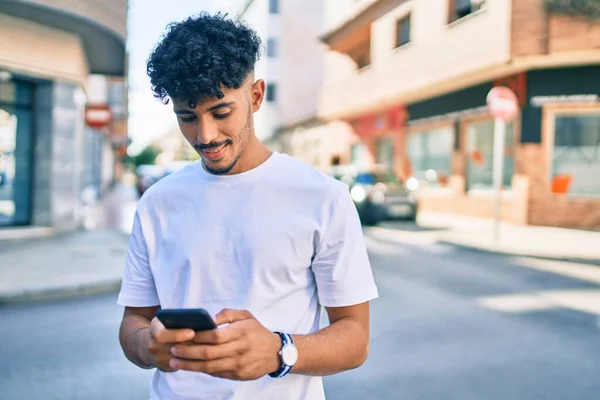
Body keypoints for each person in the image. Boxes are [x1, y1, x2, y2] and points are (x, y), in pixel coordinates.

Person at [117, 11, 379, 400]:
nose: (205, 135)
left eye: (221, 112)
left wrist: (280, 351)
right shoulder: (157, 202)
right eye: (187, 117)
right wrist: (146, 346)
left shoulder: (323, 197)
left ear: (255, 96)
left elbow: (355, 337)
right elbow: (134, 322)